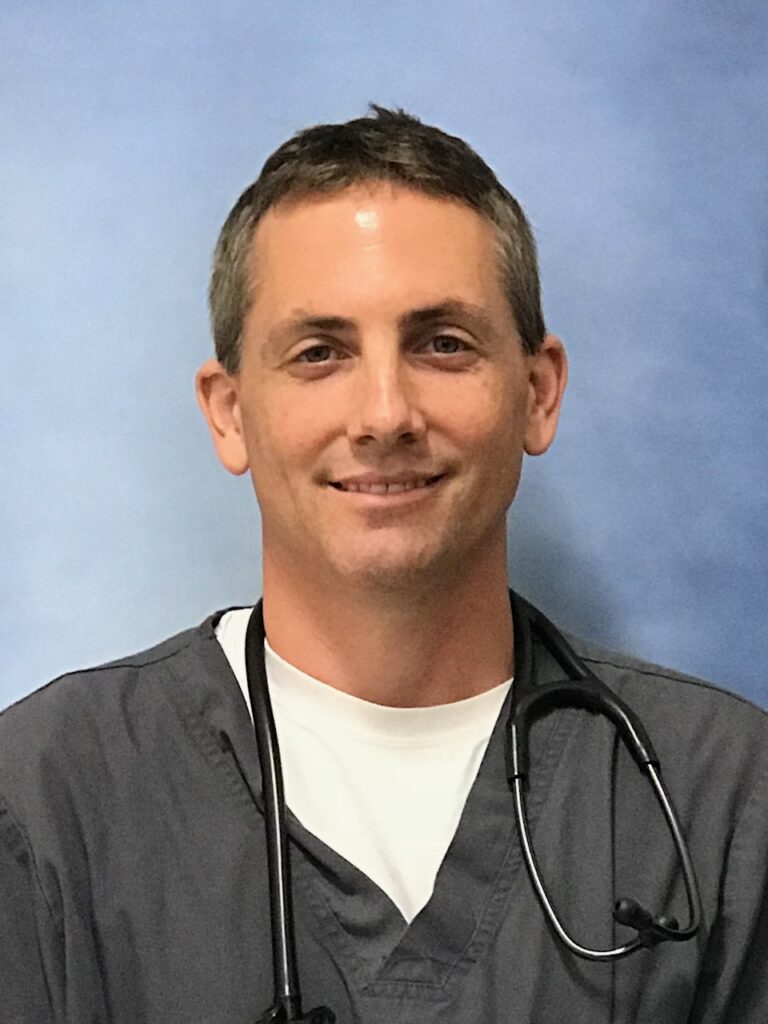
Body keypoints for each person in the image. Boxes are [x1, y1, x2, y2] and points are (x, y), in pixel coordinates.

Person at [1, 107, 766, 1024]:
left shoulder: (722, 796)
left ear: (538, 391)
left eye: (442, 344)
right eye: (319, 353)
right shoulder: (47, 801)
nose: (384, 415)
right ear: (229, 414)